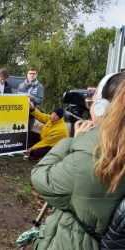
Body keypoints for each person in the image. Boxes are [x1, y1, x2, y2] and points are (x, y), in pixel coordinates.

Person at [31, 72, 125, 249]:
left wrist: (73, 142)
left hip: (77, 241)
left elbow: (40, 178)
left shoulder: (91, 156)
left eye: (93, 99)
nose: (89, 105)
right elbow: (43, 119)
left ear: (102, 107)